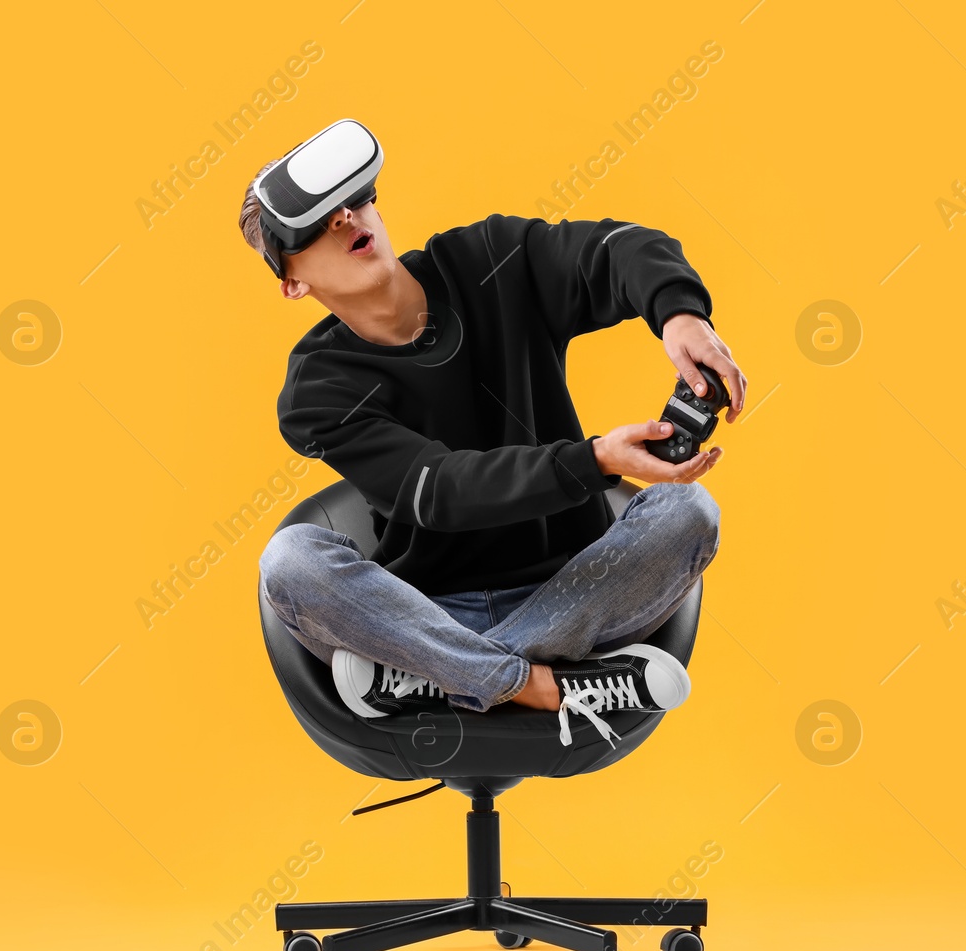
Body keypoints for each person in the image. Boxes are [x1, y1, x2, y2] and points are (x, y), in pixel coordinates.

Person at [242, 123, 745, 746]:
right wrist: (592, 461)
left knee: (688, 510)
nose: (345, 218)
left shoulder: (486, 259)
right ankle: (543, 684)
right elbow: (438, 489)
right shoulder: (319, 388)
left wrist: (680, 313)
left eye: (356, 198)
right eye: (316, 226)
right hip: (421, 612)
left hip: (576, 586)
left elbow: (616, 248)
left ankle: (448, 676)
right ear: (292, 283)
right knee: (290, 560)